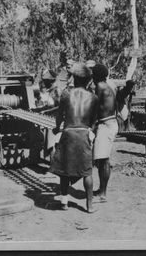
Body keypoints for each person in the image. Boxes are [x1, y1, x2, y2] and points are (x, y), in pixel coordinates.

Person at [50, 63, 98, 213]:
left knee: (65, 170)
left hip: (68, 133)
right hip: (83, 133)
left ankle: (64, 202)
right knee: (87, 172)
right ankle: (89, 205)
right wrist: (90, 131)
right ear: (89, 81)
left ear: (74, 79)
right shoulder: (93, 97)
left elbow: (59, 116)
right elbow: (94, 121)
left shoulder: (65, 94)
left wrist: (57, 129)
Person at [92, 64, 118, 203]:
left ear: (95, 75)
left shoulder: (100, 86)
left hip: (106, 125)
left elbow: (94, 106)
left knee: (103, 160)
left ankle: (103, 193)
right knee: (102, 159)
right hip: (109, 123)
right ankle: (101, 190)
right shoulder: (108, 86)